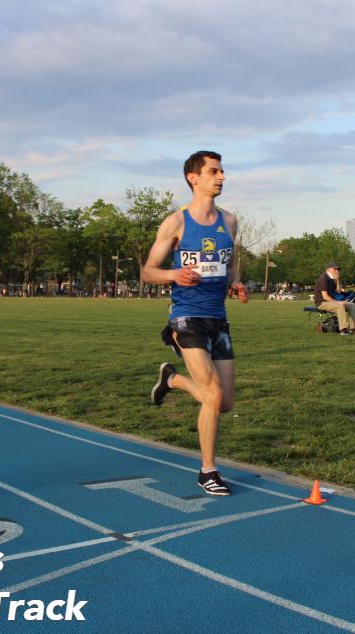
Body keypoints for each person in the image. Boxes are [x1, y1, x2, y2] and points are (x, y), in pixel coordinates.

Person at [142, 151, 248, 496]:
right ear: (194, 178)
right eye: (214, 171)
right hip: (186, 317)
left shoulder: (229, 221)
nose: (222, 177)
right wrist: (173, 274)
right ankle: (208, 471)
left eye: (222, 171)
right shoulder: (176, 223)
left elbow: (229, 263)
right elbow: (148, 271)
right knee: (213, 394)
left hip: (218, 319)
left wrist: (235, 282)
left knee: (225, 402)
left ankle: (172, 380)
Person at [314, 262, 355, 334]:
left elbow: (338, 291)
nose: (337, 271)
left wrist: (337, 280)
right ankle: (343, 330)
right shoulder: (323, 278)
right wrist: (339, 302)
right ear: (328, 269)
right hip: (322, 303)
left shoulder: (331, 279)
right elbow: (325, 296)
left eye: (338, 269)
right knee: (340, 306)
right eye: (335, 269)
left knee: (351, 305)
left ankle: (353, 328)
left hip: (330, 302)